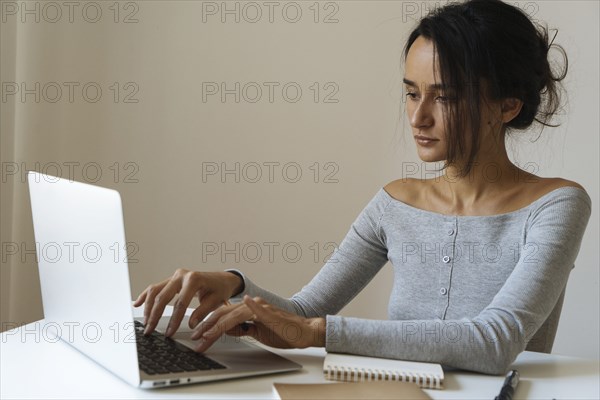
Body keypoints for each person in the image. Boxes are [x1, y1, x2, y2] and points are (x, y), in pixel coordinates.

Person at [133, 0, 592, 375]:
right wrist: (234, 286)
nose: (418, 117)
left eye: (445, 97)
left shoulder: (555, 205)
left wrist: (319, 333)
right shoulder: (394, 203)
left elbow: (495, 342)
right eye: (413, 92)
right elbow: (304, 310)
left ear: (507, 106)